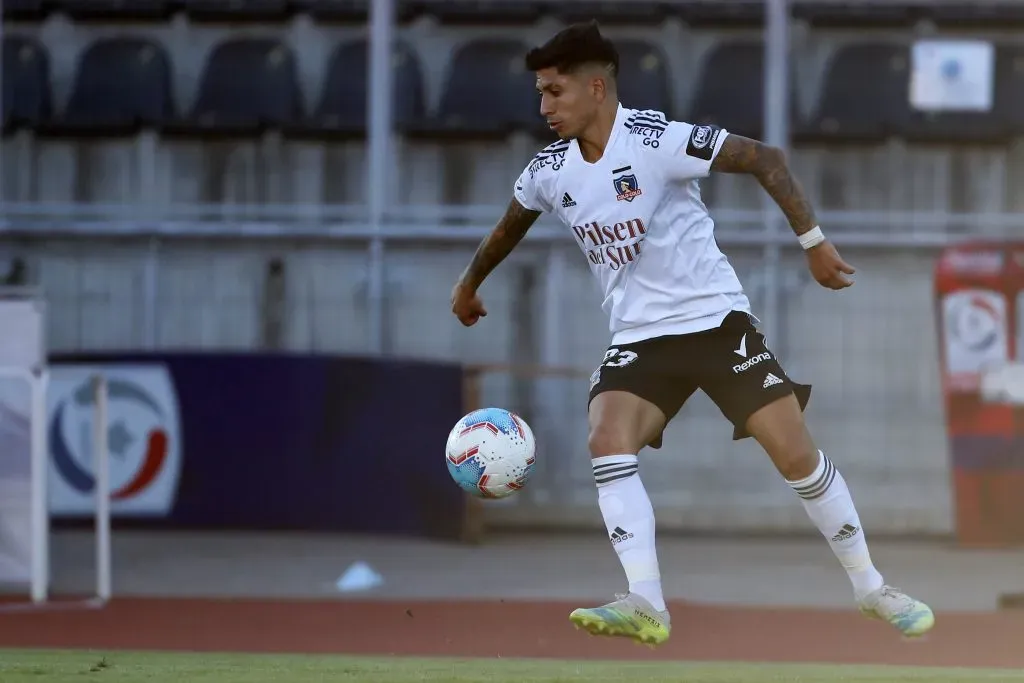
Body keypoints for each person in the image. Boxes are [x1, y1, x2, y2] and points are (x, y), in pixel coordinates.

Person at [449, 20, 934, 647]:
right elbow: (511, 224)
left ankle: (872, 587)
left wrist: (813, 245)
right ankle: (647, 600)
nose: (543, 107)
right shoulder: (549, 169)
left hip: (715, 324)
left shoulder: (654, 139)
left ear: (596, 88)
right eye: (540, 93)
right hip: (640, 338)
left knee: (795, 455)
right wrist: (469, 282)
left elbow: (764, 157)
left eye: (555, 92)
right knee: (606, 437)